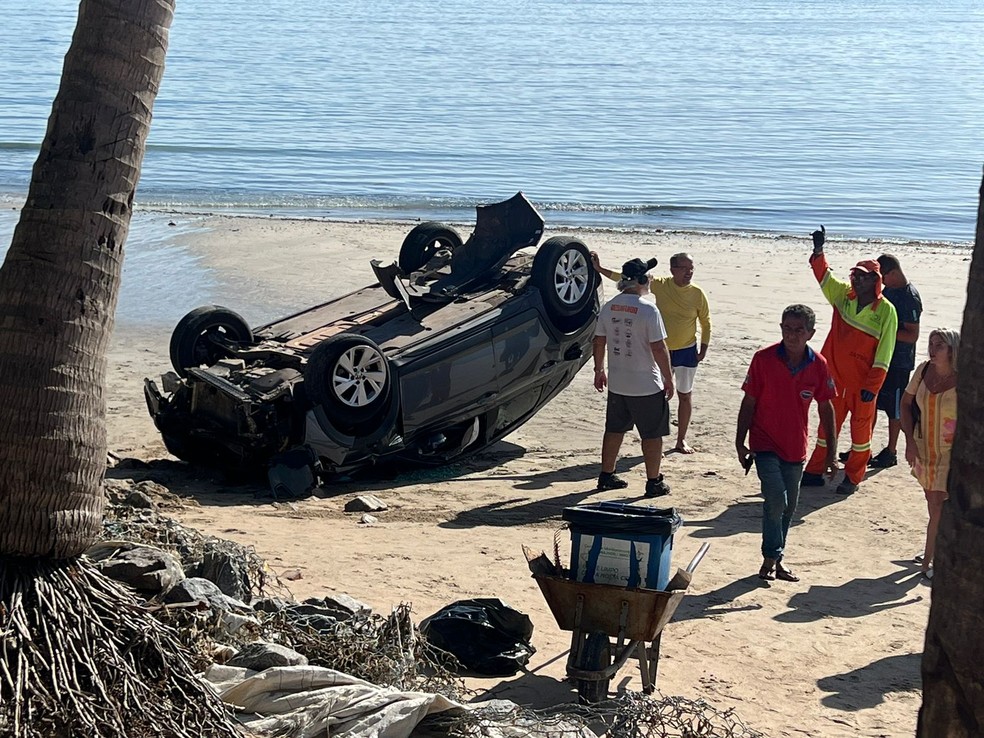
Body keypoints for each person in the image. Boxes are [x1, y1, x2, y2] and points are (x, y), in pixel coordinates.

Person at [736, 304, 837, 582]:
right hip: (764, 442)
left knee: (790, 506)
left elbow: (827, 408)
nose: (792, 335)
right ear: (781, 328)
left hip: (795, 447)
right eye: (787, 329)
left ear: (810, 333)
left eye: (799, 330)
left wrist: (831, 453)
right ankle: (770, 557)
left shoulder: (818, 365)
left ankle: (777, 560)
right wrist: (740, 441)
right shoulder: (763, 359)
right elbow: (749, 401)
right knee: (776, 499)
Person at [800, 226, 898, 495]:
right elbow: (824, 277)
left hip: (863, 384)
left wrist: (873, 386)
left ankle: (852, 478)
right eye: (855, 276)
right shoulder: (843, 296)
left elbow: (885, 352)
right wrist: (819, 251)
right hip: (834, 379)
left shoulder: (886, 312)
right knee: (826, 427)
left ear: (875, 281)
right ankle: (814, 470)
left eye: (863, 278)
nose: (856, 281)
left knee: (860, 435)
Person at [591, 251, 710, 454]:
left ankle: (681, 440)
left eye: (692, 268)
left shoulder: (697, 293)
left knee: (685, 395)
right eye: (684, 268)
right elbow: (625, 279)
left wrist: (703, 348)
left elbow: (705, 321)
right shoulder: (661, 285)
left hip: (687, 350)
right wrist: (601, 270)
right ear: (673, 270)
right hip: (663, 350)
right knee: (660, 394)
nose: (689, 272)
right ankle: (654, 440)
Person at [593, 257, 675, 497]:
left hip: (618, 382)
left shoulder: (610, 306)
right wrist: (668, 378)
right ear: (640, 280)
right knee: (652, 434)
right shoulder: (648, 309)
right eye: (647, 276)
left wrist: (599, 370)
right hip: (645, 384)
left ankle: (606, 475)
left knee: (615, 429)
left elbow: (599, 341)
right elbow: (659, 347)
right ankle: (654, 481)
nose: (650, 279)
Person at [900, 328, 959, 581]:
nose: (933, 350)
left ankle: (928, 562)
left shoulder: (965, 377)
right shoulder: (923, 370)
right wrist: (909, 441)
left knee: (938, 504)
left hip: (951, 451)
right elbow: (905, 403)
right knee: (932, 503)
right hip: (924, 447)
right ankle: (935, 549)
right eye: (931, 344)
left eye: (940, 346)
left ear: (952, 350)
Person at [867, 253, 922, 468]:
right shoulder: (887, 290)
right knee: (870, 402)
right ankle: (864, 447)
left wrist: (885, 331)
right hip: (881, 356)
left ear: (893, 273)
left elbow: (912, 335)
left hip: (899, 361)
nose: (881, 282)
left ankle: (891, 451)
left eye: (883, 277)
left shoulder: (910, 297)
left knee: (896, 408)